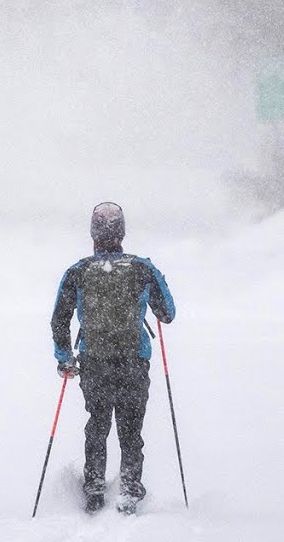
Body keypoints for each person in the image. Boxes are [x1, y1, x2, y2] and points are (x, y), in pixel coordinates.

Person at [50, 201, 176, 514]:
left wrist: (65, 357)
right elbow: (168, 313)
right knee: (131, 428)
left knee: (98, 425)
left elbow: (59, 318)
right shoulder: (142, 268)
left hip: (95, 362)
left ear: (93, 234)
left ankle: (94, 488)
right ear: (122, 233)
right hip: (134, 361)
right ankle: (130, 490)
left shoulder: (78, 272)